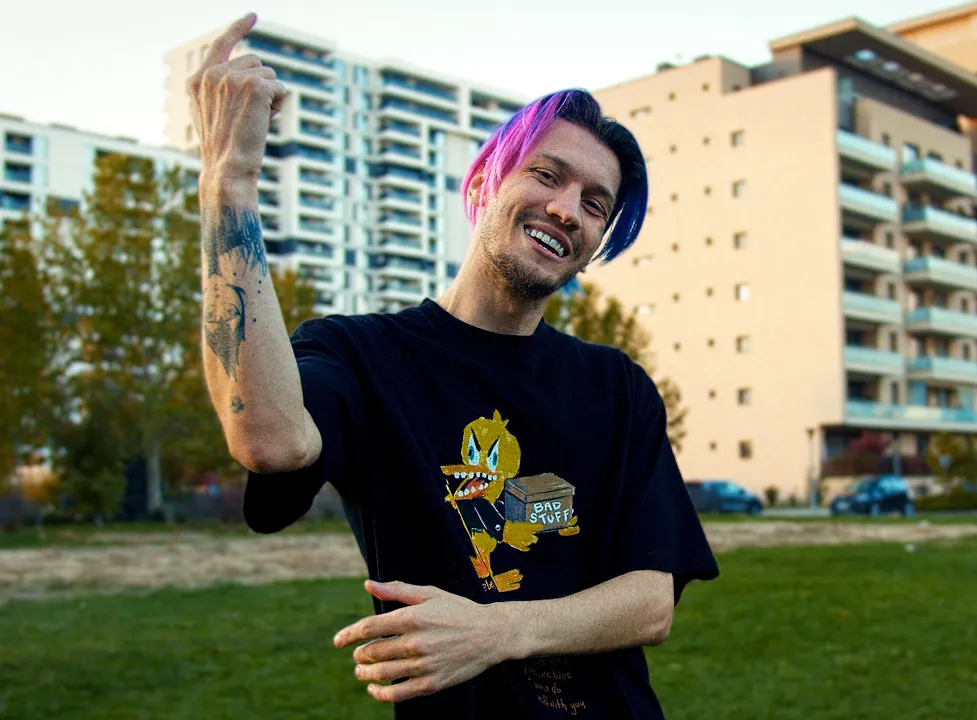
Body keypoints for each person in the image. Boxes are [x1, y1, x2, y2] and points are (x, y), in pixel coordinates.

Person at [189, 12, 719, 719]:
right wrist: (228, 183)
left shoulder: (617, 387)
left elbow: (651, 600)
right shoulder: (362, 357)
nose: (567, 209)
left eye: (595, 205)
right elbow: (269, 440)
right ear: (485, 182)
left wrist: (496, 631)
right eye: (546, 174)